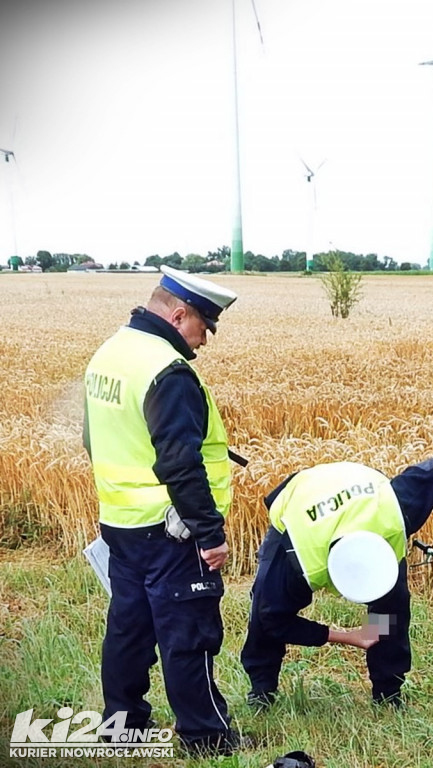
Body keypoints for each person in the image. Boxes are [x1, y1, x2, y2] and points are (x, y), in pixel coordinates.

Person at [83, 265, 242, 756]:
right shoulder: (166, 370)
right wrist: (209, 532)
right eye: (204, 327)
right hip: (171, 531)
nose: (205, 341)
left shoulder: (110, 353)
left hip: (120, 522)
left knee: (129, 629)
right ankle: (206, 738)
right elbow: (180, 461)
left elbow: (93, 439)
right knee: (188, 633)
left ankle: (122, 727)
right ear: (179, 315)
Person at [241, 457, 433, 709]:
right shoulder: (301, 558)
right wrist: (348, 636)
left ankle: (388, 693)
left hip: (362, 488)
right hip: (303, 496)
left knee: (391, 609)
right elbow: (273, 619)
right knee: (263, 609)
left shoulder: (394, 511)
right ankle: (262, 690)